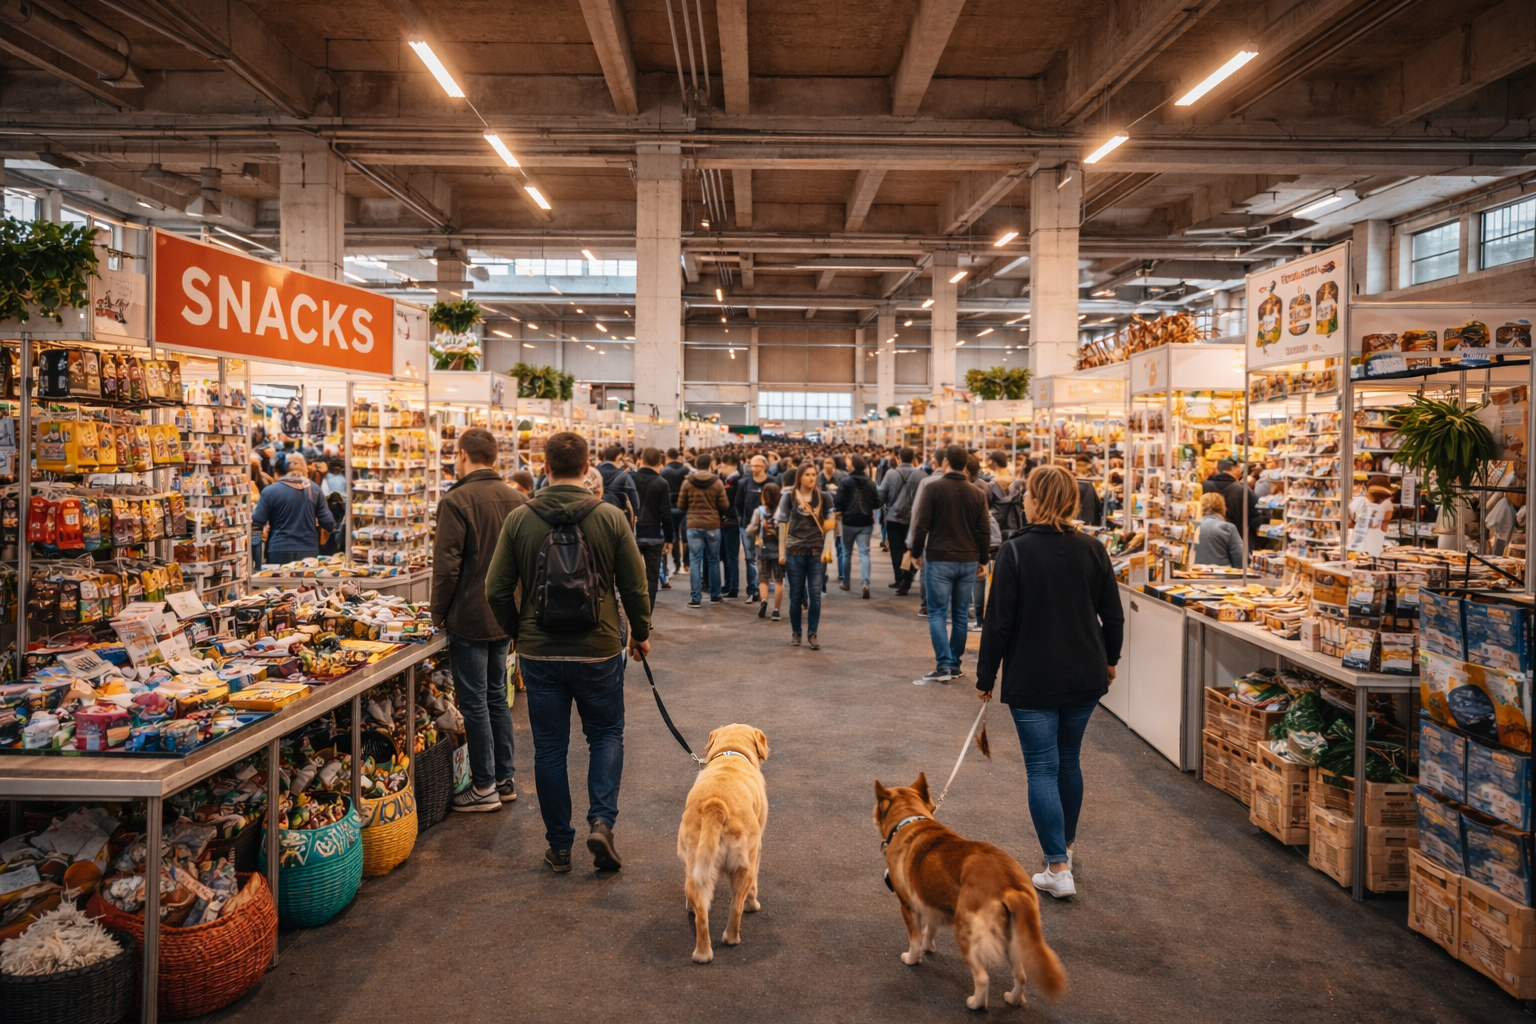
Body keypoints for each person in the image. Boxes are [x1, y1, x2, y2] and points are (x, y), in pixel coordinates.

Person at [485, 431, 651, 874]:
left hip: (539, 653)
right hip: (598, 649)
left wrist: (517, 631)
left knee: (549, 750)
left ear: (544, 466)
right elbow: (634, 584)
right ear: (587, 466)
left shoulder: (520, 519)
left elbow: (495, 587)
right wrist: (640, 631)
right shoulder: (610, 517)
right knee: (606, 735)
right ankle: (601, 822)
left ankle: (559, 847)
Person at [975, 464, 1123, 900]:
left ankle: (1058, 866)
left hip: (1033, 675)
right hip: (1084, 673)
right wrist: (1110, 659)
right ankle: (1065, 851)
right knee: (1068, 760)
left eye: (1027, 494)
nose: (1022, 499)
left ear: (1036, 499)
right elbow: (1111, 614)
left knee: (1042, 766)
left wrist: (986, 675)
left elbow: (998, 623)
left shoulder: (1016, 552)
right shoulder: (1094, 549)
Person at [430, 428, 527, 812]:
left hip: (469, 615)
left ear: (464, 454)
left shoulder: (456, 501)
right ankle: (504, 779)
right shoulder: (518, 499)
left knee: (475, 702)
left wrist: (438, 613)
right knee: (496, 698)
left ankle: (483, 786)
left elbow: (446, 567)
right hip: (505, 615)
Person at [908, 445, 991, 685]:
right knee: (960, 614)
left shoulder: (933, 488)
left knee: (936, 613)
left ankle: (943, 664)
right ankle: (955, 664)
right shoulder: (978, 493)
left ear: (945, 462)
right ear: (966, 463)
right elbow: (984, 530)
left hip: (939, 557)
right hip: (968, 559)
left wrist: (915, 553)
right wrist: (983, 559)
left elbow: (922, 525)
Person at [777, 464, 833, 648]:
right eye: (807, 474)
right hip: (794, 552)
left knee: (815, 595)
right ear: (800, 477)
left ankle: (813, 633)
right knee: (795, 595)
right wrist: (781, 552)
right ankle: (796, 632)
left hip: (817, 553)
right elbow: (782, 525)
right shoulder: (789, 497)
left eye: (814, 474)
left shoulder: (825, 497)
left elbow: (831, 526)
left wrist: (828, 548)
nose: (812, 478)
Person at [252, 453, 336, 565]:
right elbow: (329, 523)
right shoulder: (315, 490)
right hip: (308, 550)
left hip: (278, 549)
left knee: (279, 581)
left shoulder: (270, 491)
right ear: (305, 470)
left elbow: (256, 523)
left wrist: (257, 562)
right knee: (306, 582)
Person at [677, 453, 730, 608]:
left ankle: (695, 598)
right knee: (713, 560)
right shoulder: (717, 482)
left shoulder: (687, 482)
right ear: (709, 465)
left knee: (695, 560)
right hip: (713, 525)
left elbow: (681, 505)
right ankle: (715, 595)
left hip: (693, 525)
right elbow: (724, 505)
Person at [632, 447, 676, 610]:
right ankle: (646, 618)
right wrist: (669, 539)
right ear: (660, 462)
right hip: (654, 536)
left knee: (631, 578)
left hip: (632, 535)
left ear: (640, 460)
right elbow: (666, 513)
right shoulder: (661, 483)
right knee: (651, 578)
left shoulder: (629, 478)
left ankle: (632, 616)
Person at [833, 454, 881, 598]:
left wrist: (844, 507)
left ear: (852, 465)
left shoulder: (847, 481)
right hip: (865, 522)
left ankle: (846, 583)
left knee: (846, 553)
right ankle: (865, 583)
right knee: (864, 553)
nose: (846, 463)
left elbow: (838, 501)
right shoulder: (870, 483)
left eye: (848, 461)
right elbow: (878, 502)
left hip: (848, 521)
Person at [879, 448, 924, 596]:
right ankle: (907, 577)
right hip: (913, 518)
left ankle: (899, 577)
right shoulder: (919, 474)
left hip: (893, 516)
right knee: (909, 548)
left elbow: (882, 493)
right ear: (913, 459)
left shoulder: (891, 473)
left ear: (899, 458)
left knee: (896, 549)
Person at [746, 481, 785, 621]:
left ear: (763, 496)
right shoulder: (782, 512)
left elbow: (749, 530)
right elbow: (785, 533)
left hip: (762, 550)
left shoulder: (759, 511)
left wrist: (758, 528)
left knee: (763, 579)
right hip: (779, 551)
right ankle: (776, 610)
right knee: (779, 580)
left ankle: (764, 600)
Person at [736, 455, 769, 601]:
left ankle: (764, 587)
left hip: (767, 527)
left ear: (764, 466)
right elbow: (738, 504)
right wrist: (742, 521)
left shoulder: (772, 482)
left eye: (756, 465)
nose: (753, 468)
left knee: (766, 558)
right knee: (750, 558)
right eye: (751, 465)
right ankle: (753, 590)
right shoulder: (744, 482)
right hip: (747, 526)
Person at [1203, 457, 1259, 541]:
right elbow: (1256, 517)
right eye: (1239, 467)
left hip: (1207, 537)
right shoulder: (1243, 490)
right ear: (1234, 468)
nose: (1241, 471)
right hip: (1236, 540)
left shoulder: (1203, 485)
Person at [1191, 492, 1244, 568]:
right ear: (1223, 508)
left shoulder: (1191, 527)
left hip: (1192, 575)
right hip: (1223, 576)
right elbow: (1240, 559)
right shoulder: (1228, 528)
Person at [717, 454, 743, 599]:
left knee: (731, 556)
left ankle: (734, 586)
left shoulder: (736, 481)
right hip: (726, 522)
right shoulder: (727, 481)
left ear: (733, 466)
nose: (721, 469)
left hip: (731, 522)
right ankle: (728, 584)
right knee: (726, 556)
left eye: (723, 466)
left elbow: (732, 503)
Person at [661, 449, 690, 574]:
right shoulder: (686, 470)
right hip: (685, 507)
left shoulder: (664, 471)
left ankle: (676, 563)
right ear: (678, 457)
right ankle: (687, 563)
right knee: (685, 536)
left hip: (671, 507)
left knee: (674, 536)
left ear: (668, 457)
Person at [986, 450, 1025, 541]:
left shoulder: (993, 483)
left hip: (997, 523)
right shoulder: (1014, 479)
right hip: (1013, 520)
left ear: (994, 463)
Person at [596, 445, 640, 520]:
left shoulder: (594, 472)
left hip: (595, 515)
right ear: (618, 457)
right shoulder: (623, 476)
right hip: (616, 517)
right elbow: (636, 504)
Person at [1072, 455, 1103, 527]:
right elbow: (1098, 506)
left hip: (1075, 520)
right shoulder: (1089, 483)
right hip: (1088, 521)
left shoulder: (1070, 482)